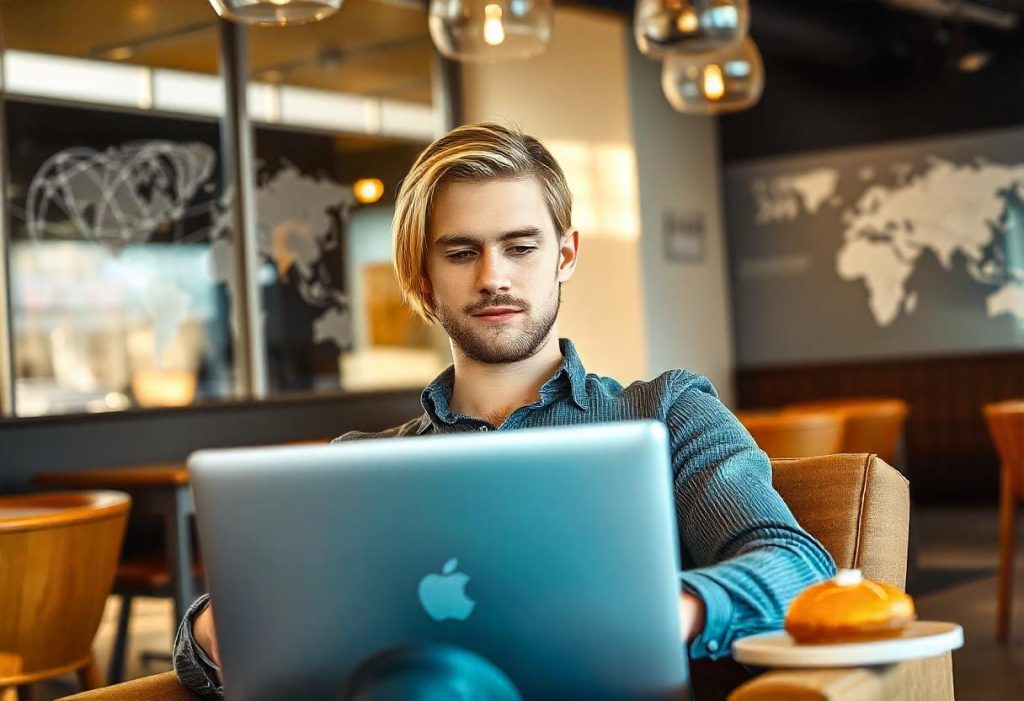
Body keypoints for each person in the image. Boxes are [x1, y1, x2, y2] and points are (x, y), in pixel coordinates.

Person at [173, 122, 836, 698]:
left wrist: (677, 605)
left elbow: (798, 565)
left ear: (564, 254)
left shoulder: (666, 413)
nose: (494, 276)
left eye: (520, 247)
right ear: (423, 279)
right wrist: (215, 627)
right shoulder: (362, 466)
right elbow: (216, 638)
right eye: (462, 252)